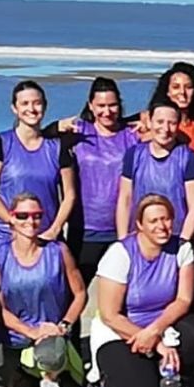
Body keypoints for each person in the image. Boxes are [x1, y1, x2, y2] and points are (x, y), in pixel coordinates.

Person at [91, 194, 194, 387]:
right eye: (154, 221)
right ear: (140, 224)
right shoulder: (120, 254)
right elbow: (109, 314)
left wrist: (156, 331)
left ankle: (175, 375)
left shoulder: (182, 249)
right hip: (121, 328)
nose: (162, 226)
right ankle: (104, 382)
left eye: (166, 219)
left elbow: (183, 299)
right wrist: (153, 341)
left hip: (162, 322)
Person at [0, 192, 87, 387]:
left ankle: (51, 379)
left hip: (50, 332)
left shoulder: (58, 251)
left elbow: (80, 294)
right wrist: (31, 332)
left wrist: (64, 325)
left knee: (51, 357)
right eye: (23, 216)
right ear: (12, 217)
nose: (30, 221)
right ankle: (22, 376)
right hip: (12, 334)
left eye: (36, 216)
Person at [0, 80, 76, 254]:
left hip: (45, 235)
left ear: (45, 107)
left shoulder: (57, 148)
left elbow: (69, 194)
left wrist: (55, 229)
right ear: (14, 108)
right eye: (24, 103)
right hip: (4, 236)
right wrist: (14, 222)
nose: (31, 109)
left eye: (37, 103)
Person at [63, 78, 140, 287]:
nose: (107, 111)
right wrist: (56, 127)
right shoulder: (78, 131)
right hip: (85, 230)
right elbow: (39, 138)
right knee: (73, 295)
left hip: (123, 230)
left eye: (112, 105)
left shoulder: (133, 135)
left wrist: (147, 121)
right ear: (90, 105)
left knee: (124, 295)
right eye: (101, 106)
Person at [118, 98, 194, 242]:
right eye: (159, 122)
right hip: (140, 238)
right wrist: (122, 240)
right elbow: (125, 199)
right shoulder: (133, 154)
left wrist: (183, 241)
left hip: (175, 236)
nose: (165, 128)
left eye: (171, 123)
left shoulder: (188, 158)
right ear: (150, 122)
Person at [140, 62, 194, 156]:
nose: (182, 92)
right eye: (176, 87)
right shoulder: (155, 125)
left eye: (188, 87)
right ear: (167, 91)